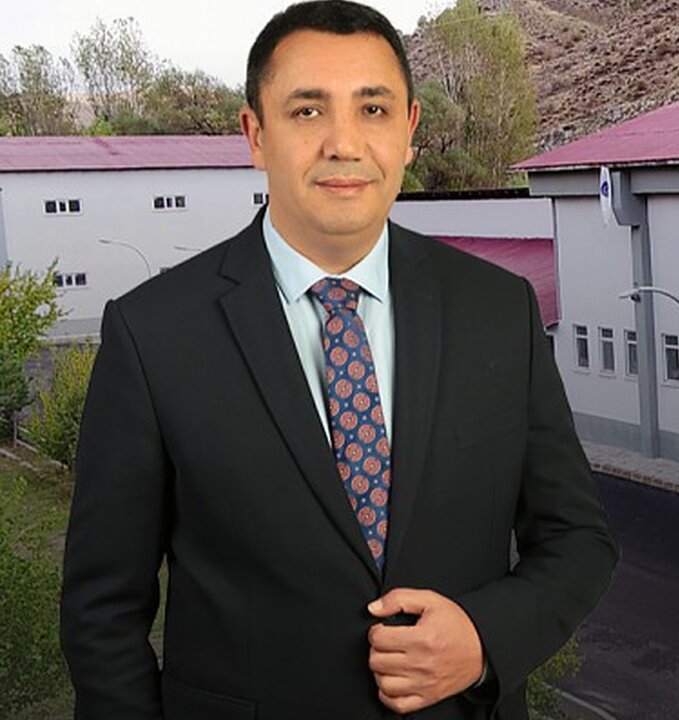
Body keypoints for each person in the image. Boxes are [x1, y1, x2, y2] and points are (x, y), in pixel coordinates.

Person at [59, 2, 617, 718]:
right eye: (307, 111)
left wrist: (485, 638)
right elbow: (103, 613)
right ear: (256, 134)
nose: (344, 143)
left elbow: (577, 540)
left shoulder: (498, 310)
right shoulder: (153, 332)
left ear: (409, 131)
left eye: (373, 109)